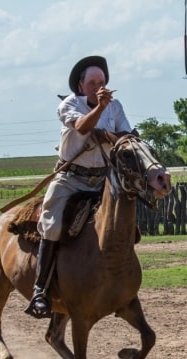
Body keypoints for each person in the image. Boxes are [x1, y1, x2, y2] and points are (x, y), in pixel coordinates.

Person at [26, 55, 132, 318]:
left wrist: (112, 134)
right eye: (93, 82)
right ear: (81, 86)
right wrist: (99, 112)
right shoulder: (69, 104)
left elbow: (128, 136)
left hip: (103, 178)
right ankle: (40, 290)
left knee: (125, 222)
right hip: (70, 179)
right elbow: (83, 127)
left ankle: (118, 284)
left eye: (103, 81)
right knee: (52, 225)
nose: (99, 86)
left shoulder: (115, 107)